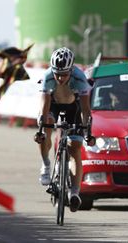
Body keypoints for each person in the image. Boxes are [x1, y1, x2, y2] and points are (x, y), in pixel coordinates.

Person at [34, 47, 95, 212]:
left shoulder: (80, 77)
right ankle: (46, 164)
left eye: (64, 74)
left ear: (72, 70)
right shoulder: (47, 76)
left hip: (72, 108)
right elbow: (44, 104)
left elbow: (85, 109)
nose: (60, 78)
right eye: (57, 74)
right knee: (45, 124)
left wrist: (86, 128)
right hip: (53, 104)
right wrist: (42, 123)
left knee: (75, 148)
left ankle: (74, 193)